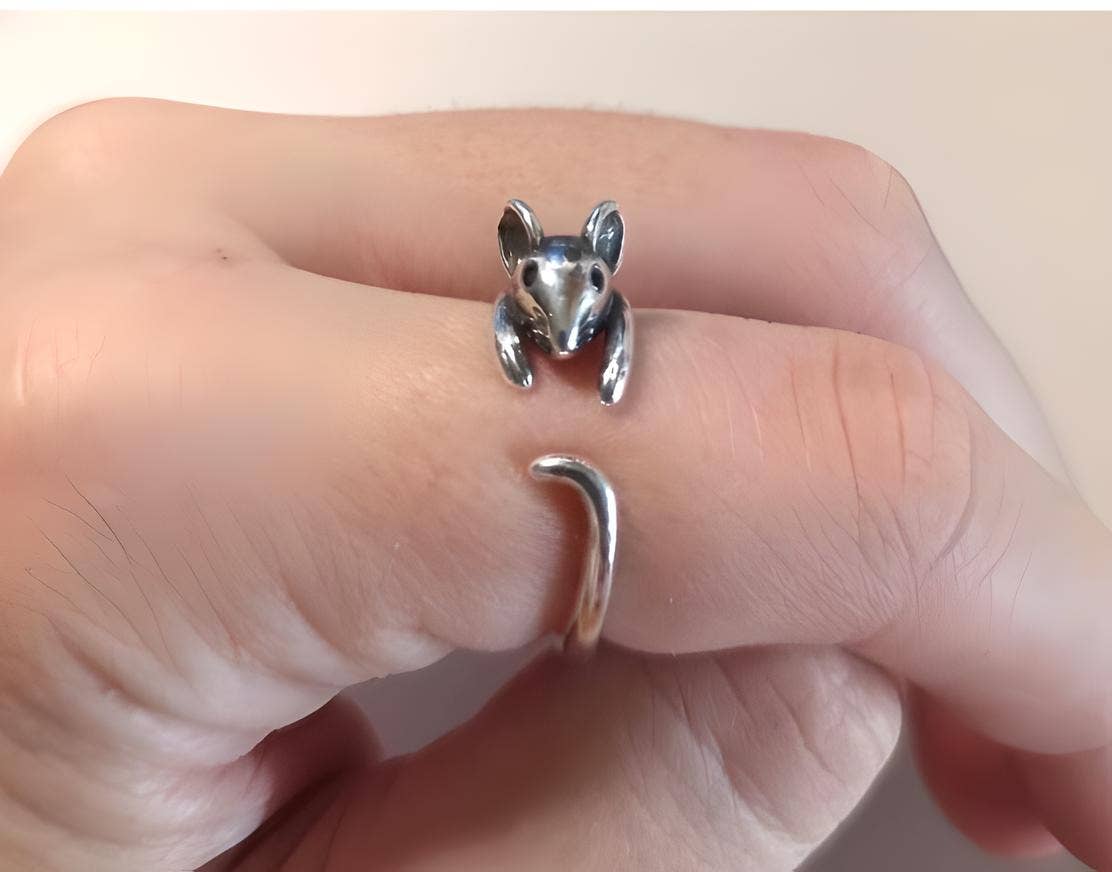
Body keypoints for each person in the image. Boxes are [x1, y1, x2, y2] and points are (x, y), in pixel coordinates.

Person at [0, 99, 1106, 872]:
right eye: (538, 276)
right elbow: (507, 331)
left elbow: (611, 338)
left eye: (583, 277)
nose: (564, 298)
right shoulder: (512, 308)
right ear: (518, 261)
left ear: (605, 262)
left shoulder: (606, 309)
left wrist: (609, 389)